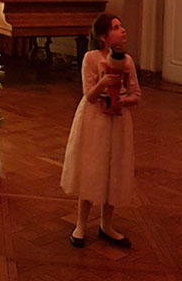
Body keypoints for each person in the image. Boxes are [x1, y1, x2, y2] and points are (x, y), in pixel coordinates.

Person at [60, 13, 142, 248]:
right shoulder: (91, 58)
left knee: (113, 168)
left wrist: (122, 101)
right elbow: (89, 95)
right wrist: (104, 83)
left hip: (118, 122)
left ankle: (107, 225)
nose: (123, 30)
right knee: (92, 166)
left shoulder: (127, 60)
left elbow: (136, 95)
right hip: (94, 121)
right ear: (104, 37)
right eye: (117, 27)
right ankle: (81, 224)